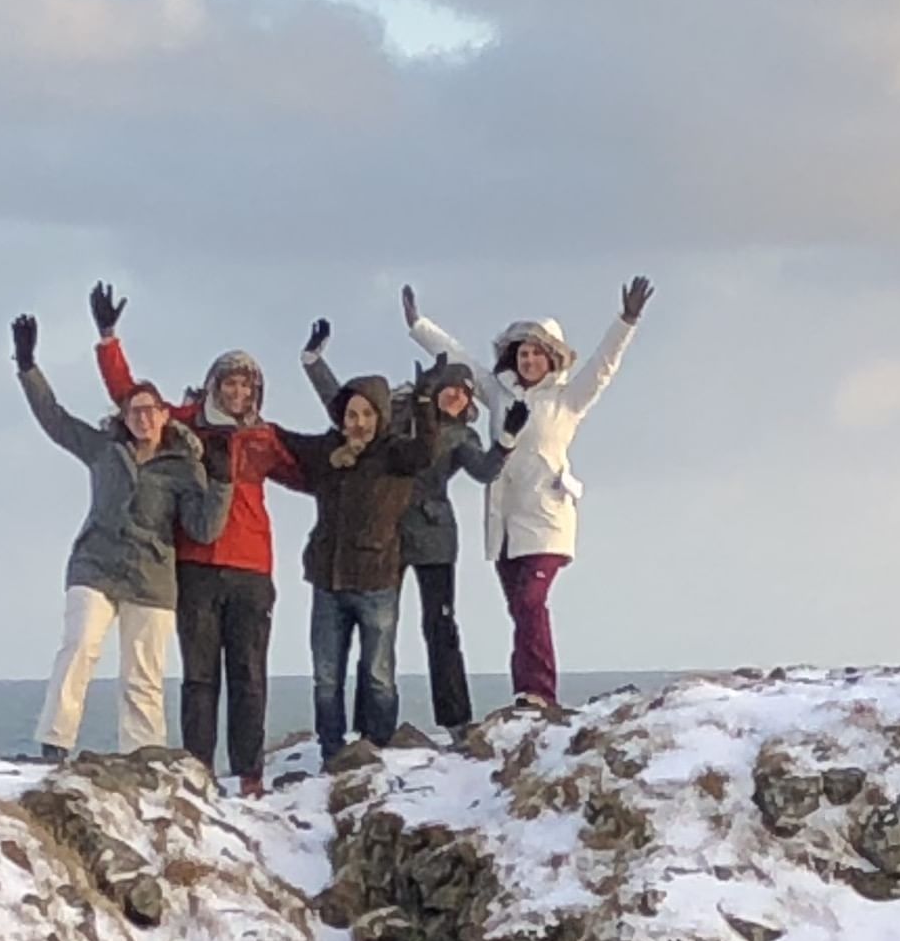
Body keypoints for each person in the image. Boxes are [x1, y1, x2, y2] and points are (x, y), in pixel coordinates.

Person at [401, 276, 652, 708]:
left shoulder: (568, 398)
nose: (529, 359)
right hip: (504, 523)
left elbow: (604, 366)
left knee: (532, 601)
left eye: (537, 352)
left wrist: (626, 320)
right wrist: (419, 325)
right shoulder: (499, 394)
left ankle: (540, 691)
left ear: (552, 357)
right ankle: (526, 694)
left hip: (548, 520)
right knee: (520, 610)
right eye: (523, 352)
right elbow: (458, 358)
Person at [90, 284, 297, 795]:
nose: (238, 393)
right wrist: (108, 338)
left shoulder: (265, 439)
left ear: (257, 392)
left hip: (252, 569)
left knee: (249, 676)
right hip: (195, 564)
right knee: (201, 677)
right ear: (213, 385)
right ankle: (198, 770)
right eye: (230, 383)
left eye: (247, 386)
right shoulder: (186, 424)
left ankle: (249, 775)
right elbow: (132, 400)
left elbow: (319, 473)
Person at [15, 312, 224, 759]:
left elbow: (204, 527)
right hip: (95, 565)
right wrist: (28, 365)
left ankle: (144, 756)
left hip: (151, 577)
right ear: (124, 417)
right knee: (79, 647)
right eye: (135, 411)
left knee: (143, 674)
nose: (143, 418)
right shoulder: (104, 450)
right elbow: (55, 420)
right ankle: (55, 743)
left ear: (165, 415)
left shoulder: (185, 468)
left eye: (151, 410)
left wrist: (220, 482)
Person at [308, 324, 497, 730]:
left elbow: (485, 472)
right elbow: (344, 408)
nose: (456, 395)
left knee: (440, 626)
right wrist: (314, 363)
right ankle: (368, 727)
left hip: (435, 541)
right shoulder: (395, 419)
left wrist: (508, 442)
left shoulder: (463, 436)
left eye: (464, 392)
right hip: (386, 538)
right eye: (450, 387)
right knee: (376, 635)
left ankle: (456, 720)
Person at [264, 367, 446, 764]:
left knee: (378, 674)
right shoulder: (326, 455)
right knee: (326, 677)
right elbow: (282, 439)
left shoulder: (395, 454)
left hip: (377, 580)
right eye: (351, 414)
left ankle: (378, 748)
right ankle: (332, 752)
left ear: (380, 416)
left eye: (366, 414)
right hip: (327, 580)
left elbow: (426, 451)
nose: (359, 422)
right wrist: (243, 419)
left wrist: (424, 401)